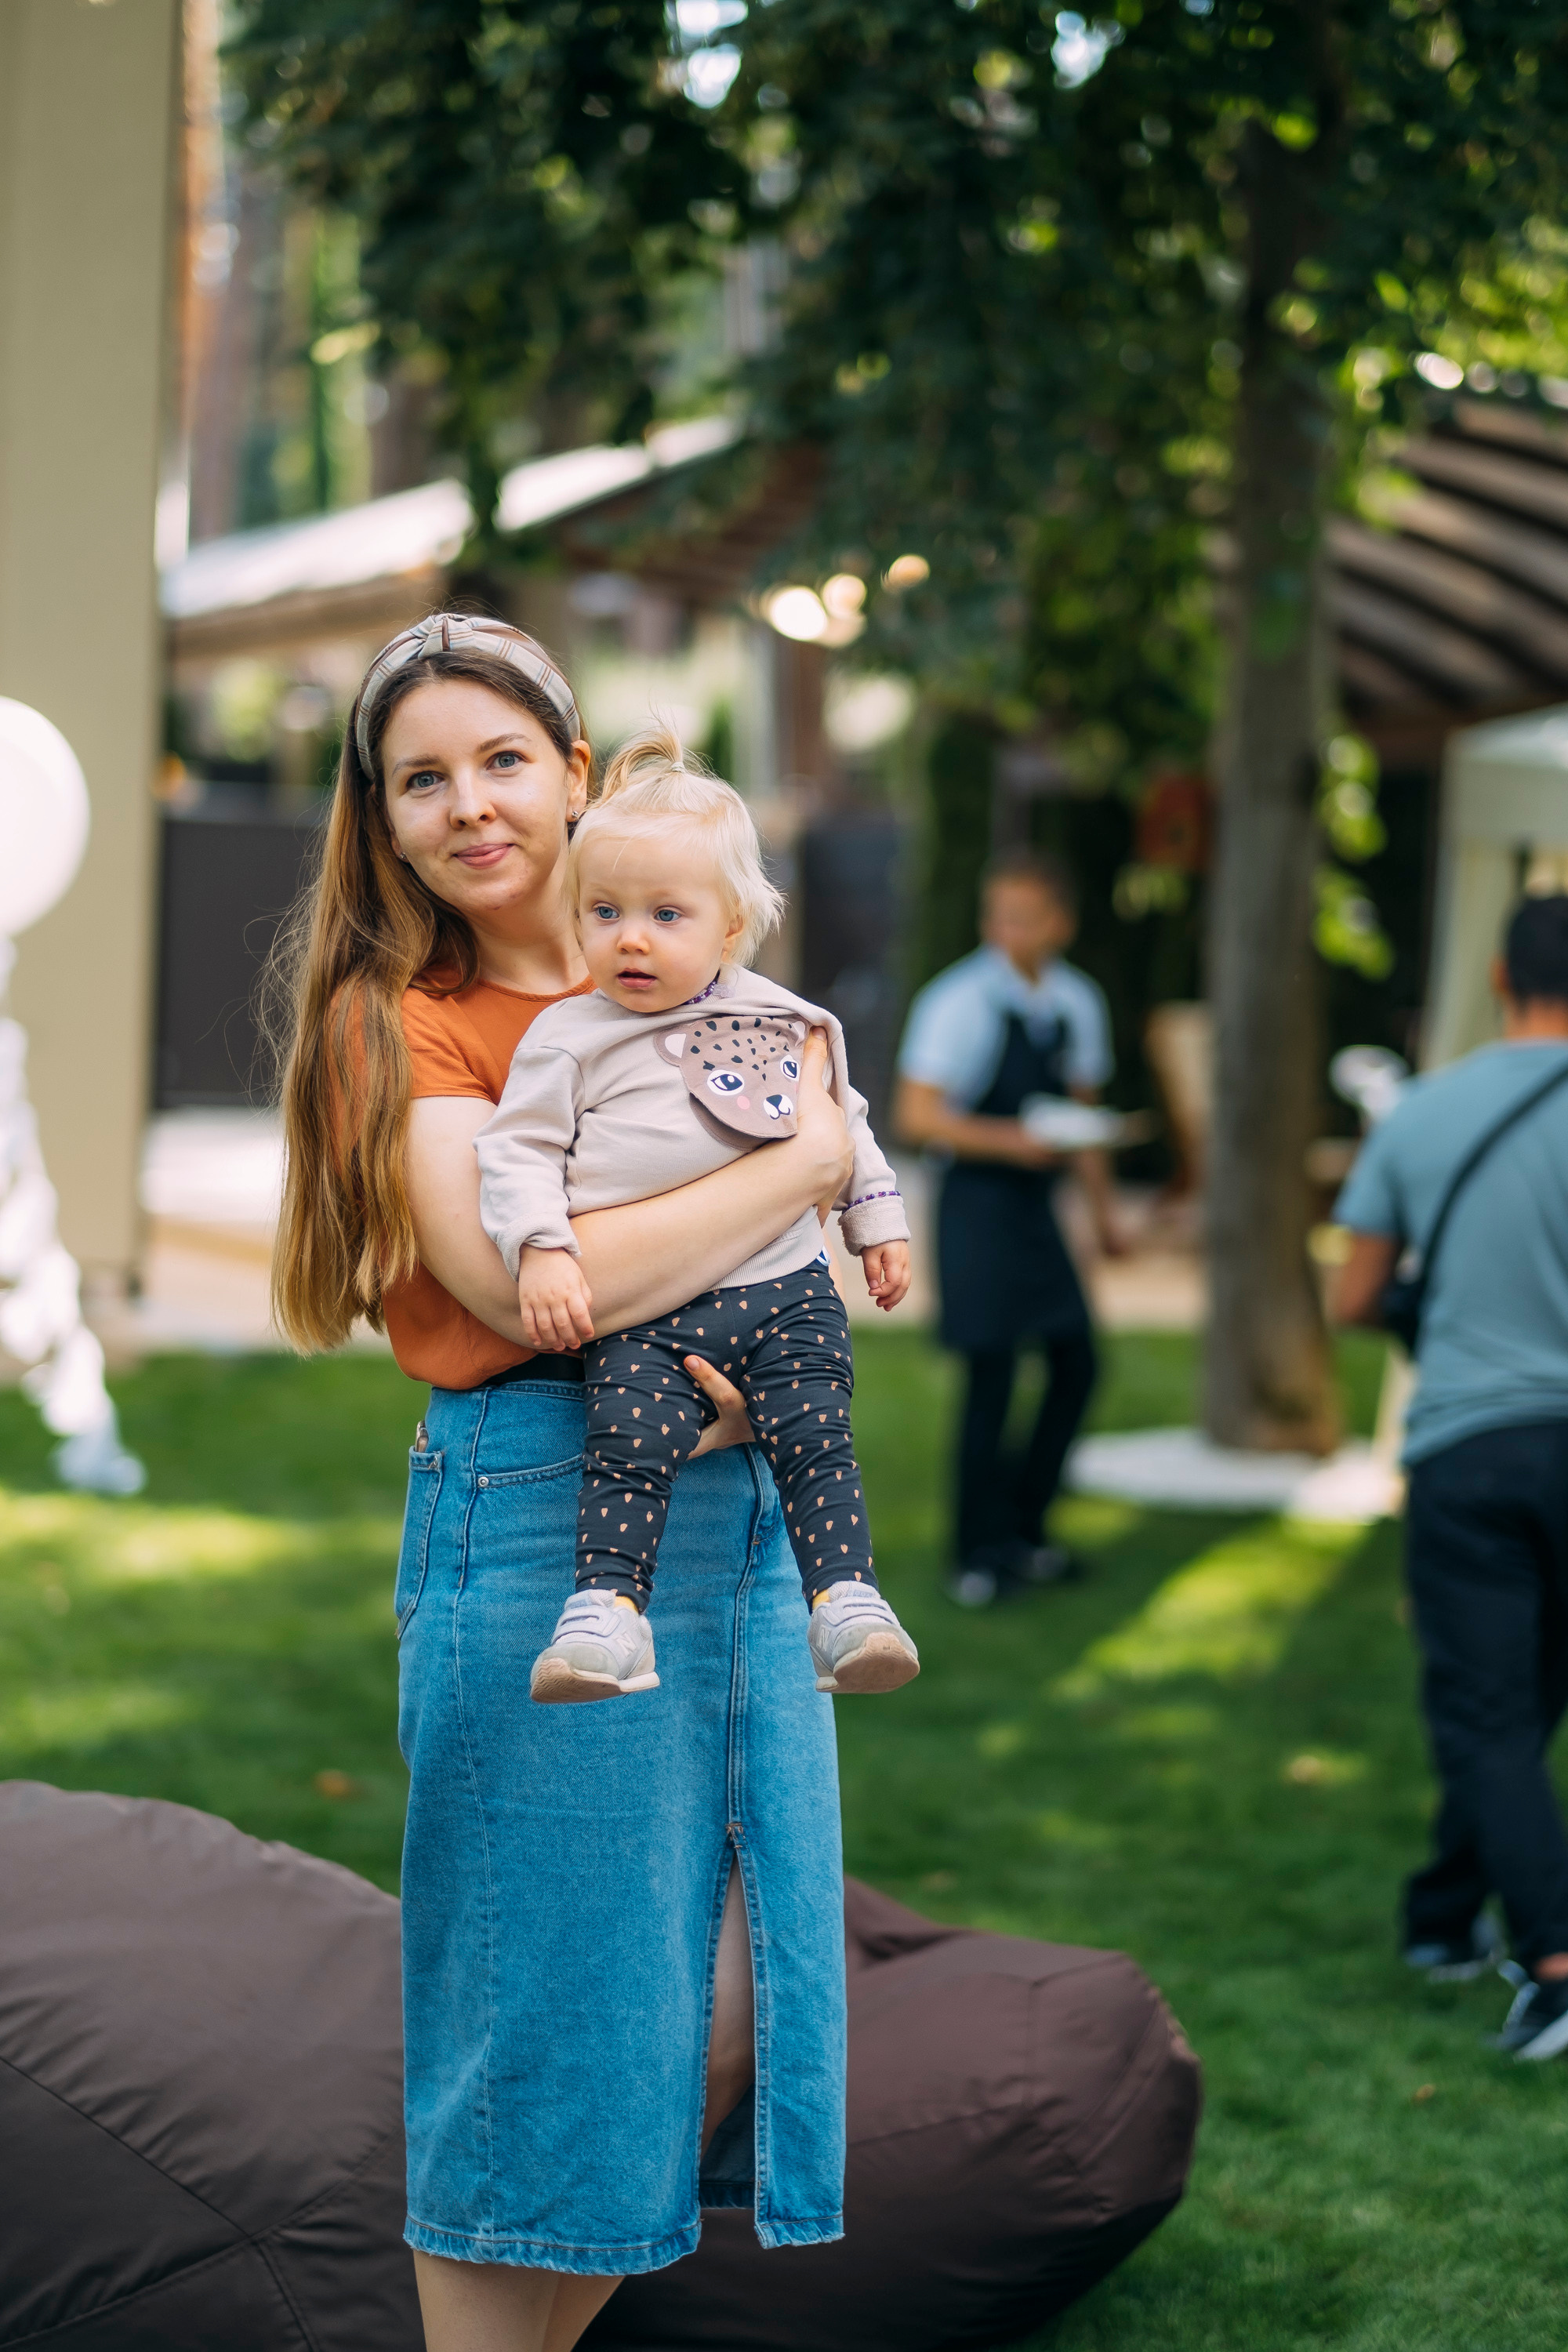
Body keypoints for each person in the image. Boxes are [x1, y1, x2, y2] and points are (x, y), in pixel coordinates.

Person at [271, 612, 854, 2352]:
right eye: (419, 782)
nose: (468, 807)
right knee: (536, 2031)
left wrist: (769, 1341)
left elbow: (801, 1254)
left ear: (576, 775)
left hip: (730, 1523)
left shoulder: (689, 981)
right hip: (537, 1518)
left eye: (502, 760)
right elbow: (545, 1270)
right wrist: (804, 1156)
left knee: (732, 2002)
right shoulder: (411, 1020)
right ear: (382, 829)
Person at [473, 727, 919, 1704]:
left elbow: (842, 1123)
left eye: (664, 914)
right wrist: (542, 1250)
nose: (629, 937)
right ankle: (606, 1615)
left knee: (815, 1431)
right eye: (604, 912)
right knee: (625, 1442)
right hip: (651, 1305)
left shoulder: (780, 1020)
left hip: (786, 1288)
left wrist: (875, 1221)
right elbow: (517, 1152)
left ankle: (845, 1600)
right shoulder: (570, 1037)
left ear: (727, 928)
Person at [1333, 893, 1568, 2063]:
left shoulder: (1426, 1114)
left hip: (1474, 1447)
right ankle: (1441, 1917)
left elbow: (1355, 1296)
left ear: (1497, 972)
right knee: (1523, 1707)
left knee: (1488, 1710)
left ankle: (1558, 1965)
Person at [895, 850, 1122, 1606]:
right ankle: (976, 1554)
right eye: (997, 914)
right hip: (978, 1207)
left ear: (1061, 922)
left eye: (1022, 916)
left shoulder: (1076, 1001)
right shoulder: (957, 1001)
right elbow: (918, 1116)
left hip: (1036, 1212)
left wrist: (1106, 1216)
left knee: (1076, 1364)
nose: (1004, 930)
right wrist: (1014, 1143)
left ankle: (1027, 1531)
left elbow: (1084, 1114)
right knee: (989, 1379)